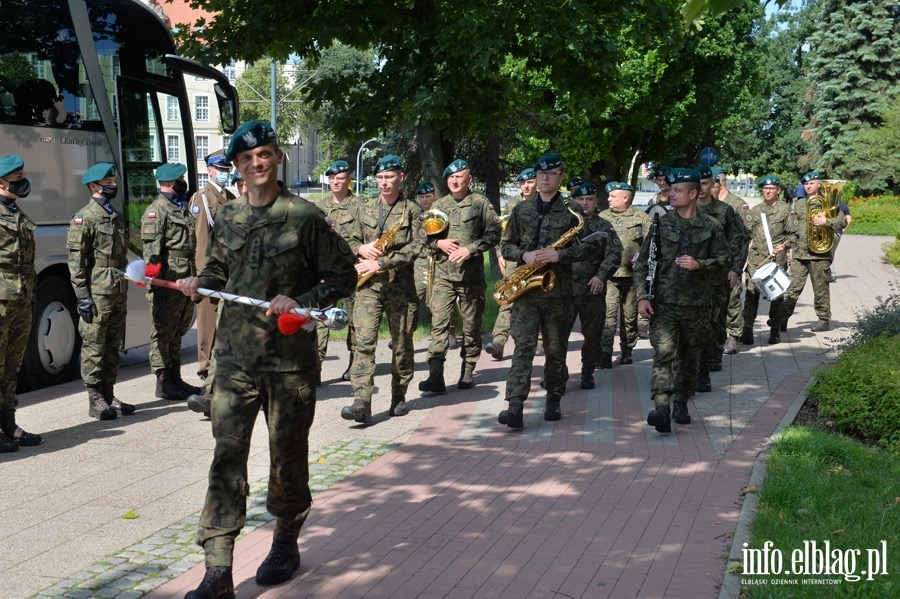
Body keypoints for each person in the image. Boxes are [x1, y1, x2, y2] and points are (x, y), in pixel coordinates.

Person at [177, 121, 356, 598]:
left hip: (288, 363)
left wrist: (301, 299)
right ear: (237, 166)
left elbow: (343, 275)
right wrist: (200, 281)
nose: (256, 164)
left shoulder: (305, 216)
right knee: (226, 460)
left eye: (264, 155)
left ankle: (285, 540)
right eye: (246, 158)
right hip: (234, 361)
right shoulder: (229, 217)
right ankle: (218, 570)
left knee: (287, 460)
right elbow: (218, 268)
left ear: (277, 157)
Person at [497, 152, 592, 428]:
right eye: (541, 174)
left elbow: (591, 247)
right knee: (523, 347)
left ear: (561, 176)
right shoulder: (522, 209)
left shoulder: (573, 211)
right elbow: (506, 246)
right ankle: (515, 406)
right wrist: (525, 256)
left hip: (558, 292)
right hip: (526, 290)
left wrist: (559, 256)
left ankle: (553, 397)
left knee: (555, 349)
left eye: (551, 174)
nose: (545, 178)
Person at [634, 168, 730, 432]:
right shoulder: (660, 225)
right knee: (663, 353)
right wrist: (642, 296)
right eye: (670, 189)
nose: (671, 194)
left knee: (690, 358)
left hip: (698, 305)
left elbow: (725, 260)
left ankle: (682, 403)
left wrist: (701, 264)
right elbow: (644, 264)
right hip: (664, 304)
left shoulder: (711, 226)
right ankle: (662, 406)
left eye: (677, 191)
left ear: (693, 193)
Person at [341, 155, 423, 424]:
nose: (384, 182)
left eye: (389, 177)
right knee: (363, 343)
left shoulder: (411, 210)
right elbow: (348, 239)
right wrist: (360, 249)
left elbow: (416, 248)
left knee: (401, 344)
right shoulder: (364, 208)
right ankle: (361, 401)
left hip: (400, 287)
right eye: (380, 178)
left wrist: (382, 262)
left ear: (401, 177)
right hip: (368, 287)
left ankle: (399, 395)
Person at [420, 159, 500, 393]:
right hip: (444, 276)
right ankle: (436, 376)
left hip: (471, 278)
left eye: (459, 177)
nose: (455, 181)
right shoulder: (439, 205)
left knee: (471, 326)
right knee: (439, 326)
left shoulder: (480, 203)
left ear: (469, 179)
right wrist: (439, 243)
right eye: (451, 178)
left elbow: (494, 234)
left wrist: (470, 249)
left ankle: (467, 371)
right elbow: (423, 237)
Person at [67, 162, 134, 421]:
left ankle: (108, 393)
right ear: (94, 186)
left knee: (111, 344)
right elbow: (77, 262)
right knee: (94, 344)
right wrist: (82, 295)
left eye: (113, 182)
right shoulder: (84, 218)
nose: (113, 186)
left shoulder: (114, 216)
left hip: (116, 288)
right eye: (108, 183)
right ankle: (94, 398)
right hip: (97, 291)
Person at [142, 162, 201, 401]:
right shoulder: (157, 211)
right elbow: (152, 253)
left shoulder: (179, 208)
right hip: (167, 284)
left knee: (178, 331)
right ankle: (164, 381)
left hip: (184, 279)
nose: (183, 182)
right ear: (168, 182)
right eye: (180, 179)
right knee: (163, 332)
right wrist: (154, 283)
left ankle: (175, 378)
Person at [186, 151, 235, 416]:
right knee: (208, 331)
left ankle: (220, 384)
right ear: (210, 170)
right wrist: (206, 278)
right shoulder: (202, 199)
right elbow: (202, 241)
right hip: (212, 277)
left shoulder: (230, 197)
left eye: (228, 167)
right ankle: (207, 382)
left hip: (229, 276)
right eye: (221, 168)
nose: (226, 171)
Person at [694, 165, 749, 393]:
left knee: (715, 323)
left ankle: (711, 359)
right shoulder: (682, 211)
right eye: (698, 184)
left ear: (713, 184)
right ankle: (696, 370)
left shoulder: (725, 211)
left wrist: (735, 269)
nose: (702, 188)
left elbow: (740, 241)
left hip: (718, 278)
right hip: (689, 279)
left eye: (706, 183)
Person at [0, 155, 41, 452]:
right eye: (16, 177)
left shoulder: (18, 213)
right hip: (1, 299)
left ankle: (8, 424)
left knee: (12, 366)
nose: (22, 181)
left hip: (22, 297)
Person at [567, 183, 621, 389]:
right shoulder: (564, 224)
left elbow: (614, 254)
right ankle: (556, 374)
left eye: (589, 199)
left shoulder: (604, 225)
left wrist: (601, 276)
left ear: (596, 201)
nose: (585, 203)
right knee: (557, 336)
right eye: (581, 199)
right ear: (574, 201)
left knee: (592, 336)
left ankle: (587, 372)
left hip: (592, 290)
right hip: (566, 290)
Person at [315, 160, 360, 384]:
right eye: (332, 178)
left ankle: (354, 362)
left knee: (353, 320)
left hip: (351, 272)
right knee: (322, 318)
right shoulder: (319, 207)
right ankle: (316, 367)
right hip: (325, 273)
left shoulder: (361, 206)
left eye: (340, 178)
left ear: (348, 181)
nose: (335, 182)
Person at [783, 171, 845, 332]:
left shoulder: (828, 202)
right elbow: (792, 228)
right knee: (793, 288)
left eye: (812, 183)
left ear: (819, 185)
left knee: (820, 289)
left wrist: (826, 221)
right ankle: (782, 318)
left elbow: (842, 221)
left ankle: (824, 320)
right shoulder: (799, 204)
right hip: (799, 253)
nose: (808, 186)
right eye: (806, 184)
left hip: (820, 255)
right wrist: (788, 249)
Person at [598, 181, 651, 367]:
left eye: (613, 196)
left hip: (632, 277)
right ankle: (604, 353)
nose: (609, 199)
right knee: (607, 316)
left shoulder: (641, 217)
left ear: (626, 198)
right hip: (609, 277)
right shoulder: (602, 217)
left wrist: (642, 256)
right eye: (609, 196)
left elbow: (651, 242)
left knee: (629, 317)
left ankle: (627, 350)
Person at [485, 168, 536, 360]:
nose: (526, 186)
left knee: (537, 298)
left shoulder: (543, 203)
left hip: (538, 260)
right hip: (515, 259)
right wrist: (500, 253)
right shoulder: (512, 205)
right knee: (507, 299)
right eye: (523, 183)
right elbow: (502, 231)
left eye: (530, 182)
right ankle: (498, 342)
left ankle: (539, 339)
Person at [740, 175, 798, 345]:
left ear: (778, 191)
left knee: (776, 297)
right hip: (756, 260)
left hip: (775, 260)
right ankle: (747, 330)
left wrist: (785, 246)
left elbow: (794, 235)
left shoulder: (786, 210)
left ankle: (774, 331)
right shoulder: (755, 210)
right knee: (751, 296)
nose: (768, 191)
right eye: (765, 189)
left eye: (771, 188)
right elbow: (745, 233)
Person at [713, 166, 751, 354]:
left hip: (730, 262)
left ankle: (734, 336)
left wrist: (737, 265)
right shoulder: (702, 205)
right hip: (710, 264)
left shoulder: (736, 204)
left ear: (719, 183)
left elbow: (744, 236)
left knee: (732, 299)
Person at [411, 181, 437, 330]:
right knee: (413, 299)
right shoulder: (415, 215)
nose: (425, 199)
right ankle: (406, 332)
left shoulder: (442, 213)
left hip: (438, 261)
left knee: (440, 301)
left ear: (435, 196)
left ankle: (449, 333)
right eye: (421, 197)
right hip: (420, 262)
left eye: (428, 196)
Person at [830, 200, 852, 282]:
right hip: (837, 234)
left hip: (828, 233)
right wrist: (842, 231)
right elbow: (849, 220)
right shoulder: (843, 205)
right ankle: (831, 274)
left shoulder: (825, 203)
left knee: (827, 253)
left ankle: (831, 274)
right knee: (831, 252)